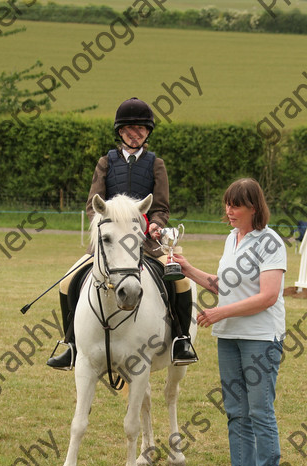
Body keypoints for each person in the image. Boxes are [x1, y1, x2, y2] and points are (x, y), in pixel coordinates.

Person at [47, 97, 197, 370]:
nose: (135, 132)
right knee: (67, 282)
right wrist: (105, 229)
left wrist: (155, 225)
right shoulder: (106, 162)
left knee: (181, 283)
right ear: (120, 132)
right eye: (129, 128)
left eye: (141, 128)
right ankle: (70, 343)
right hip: (109, 246)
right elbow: (94, 204)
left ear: (148, 132)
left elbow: (161, 207)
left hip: (146, 244)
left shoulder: (156, 164)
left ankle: (181, 339)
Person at [173, 178, 286, 466]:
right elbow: (225, 284)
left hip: (261, 338)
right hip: (229, 337)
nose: (229, 210)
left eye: (235, 205)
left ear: (254, 207)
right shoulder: (232, 239)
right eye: (227, 204)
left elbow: (267, 296)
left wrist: (220, 312)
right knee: (236, 412)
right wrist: (188, 269)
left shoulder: (271, 243)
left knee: (260, 411)